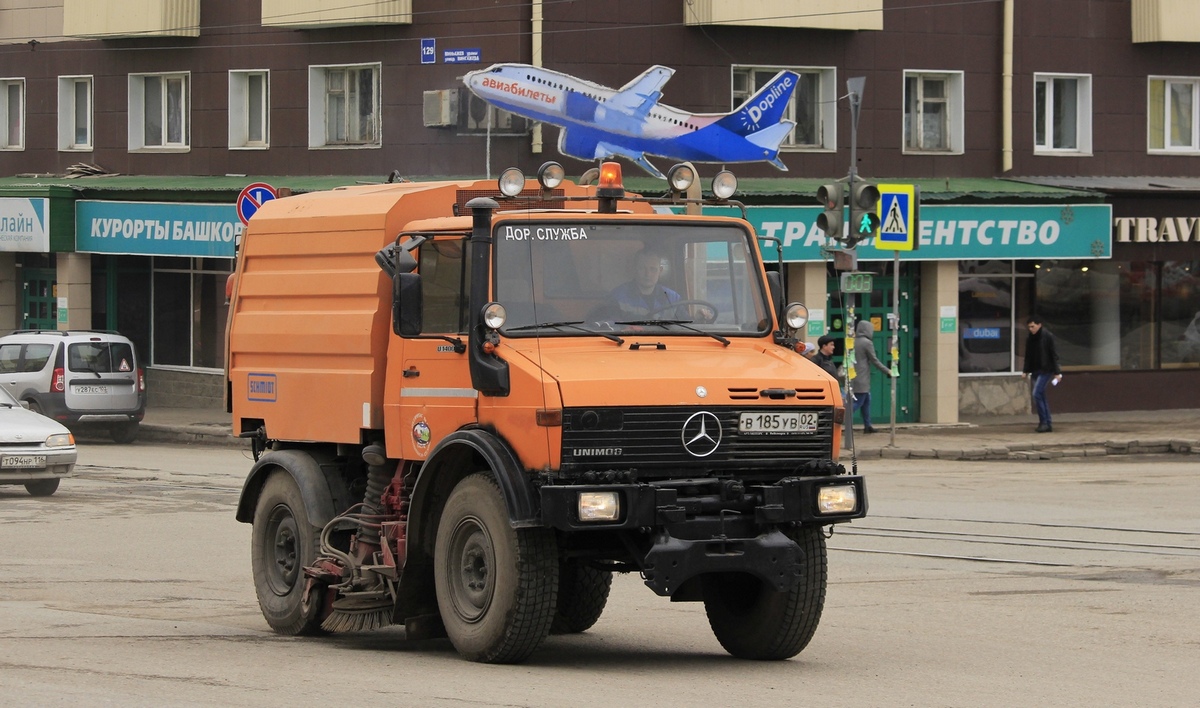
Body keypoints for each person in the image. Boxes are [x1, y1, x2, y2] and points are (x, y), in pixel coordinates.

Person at [604, 248, 686, 319]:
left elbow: (686, 327)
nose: (648, 274)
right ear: (634, 269)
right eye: (642, 268)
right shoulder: (617, 297)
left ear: (660, 271)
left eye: (653, 269)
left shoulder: (673, 298)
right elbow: (610, 327)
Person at [851, 319, 893, 434]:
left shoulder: (852, 341)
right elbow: (874, 360)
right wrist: (887, 371)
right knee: (858, 402)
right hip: (862, 377)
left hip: (853, 376)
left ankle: (867, 425)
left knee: (866, 401)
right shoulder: (867, 343)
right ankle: (842, 419)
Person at [1022, 315, 1062, 433]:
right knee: (1041, 396)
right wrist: (1025, 370)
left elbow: (1053, 354)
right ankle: (1047, 423)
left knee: (1036, 394)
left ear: (1039, 325)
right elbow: (1028, 356)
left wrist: (1057, 372)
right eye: (1029, 327)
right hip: (1035, 370)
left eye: (1033, 326)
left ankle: (1044, 422)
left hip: (1045, 370)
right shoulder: (1030, 338)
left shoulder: (1047, 336)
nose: (1031, 329)